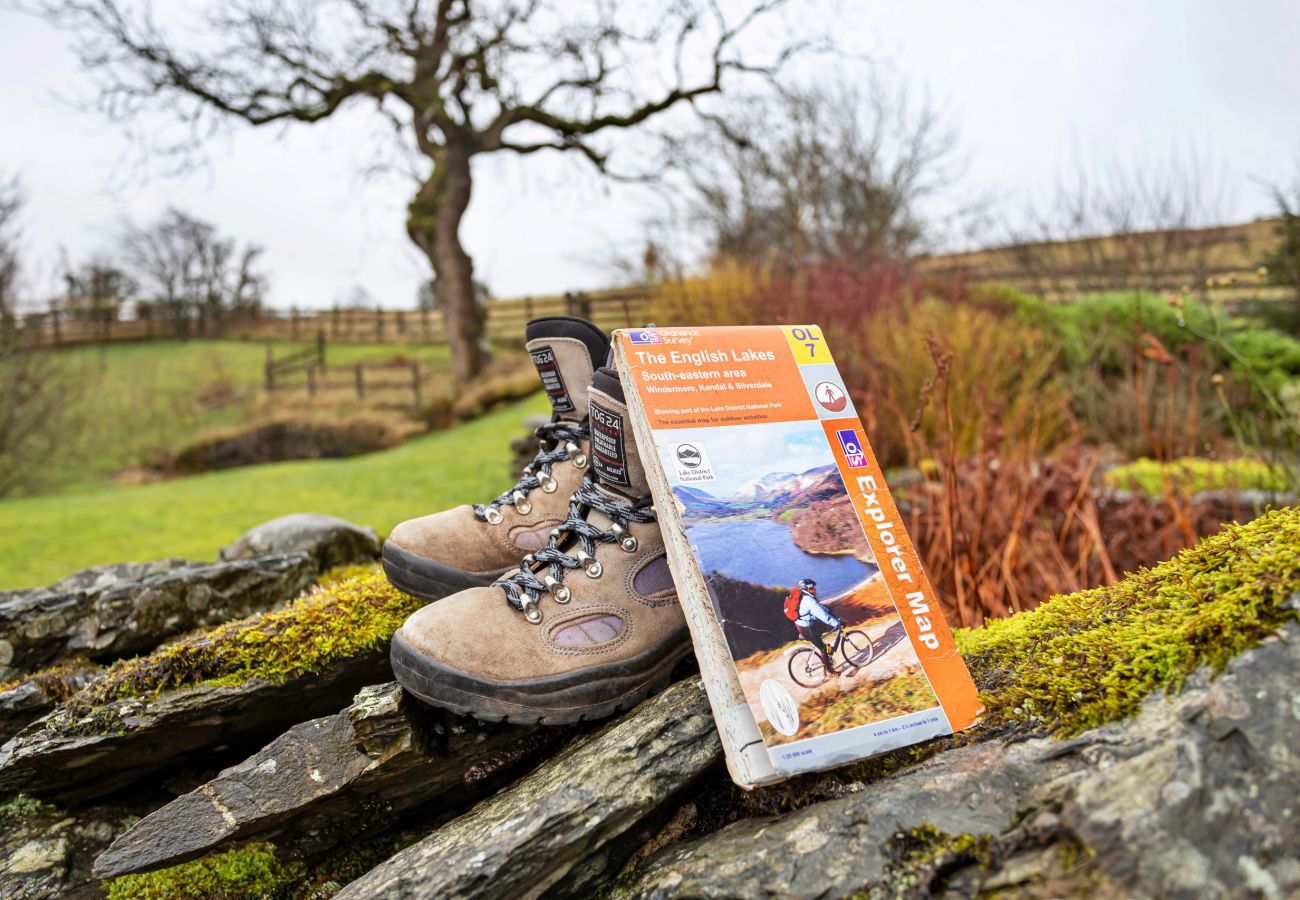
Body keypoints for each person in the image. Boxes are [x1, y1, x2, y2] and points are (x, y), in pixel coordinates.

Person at [793, 578, 841, 670]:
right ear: (807, 589)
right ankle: (830, 672)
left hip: (803, 624)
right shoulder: (808, 600)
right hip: (805, 628)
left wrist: (828, 611)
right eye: (812, 588)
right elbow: (824, 616)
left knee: (822, 629)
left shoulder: (804, 596)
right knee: (823, 649)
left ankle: (827, 649)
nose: (815, 590)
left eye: (814, 587)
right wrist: (837, 623)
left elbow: (819, 608)